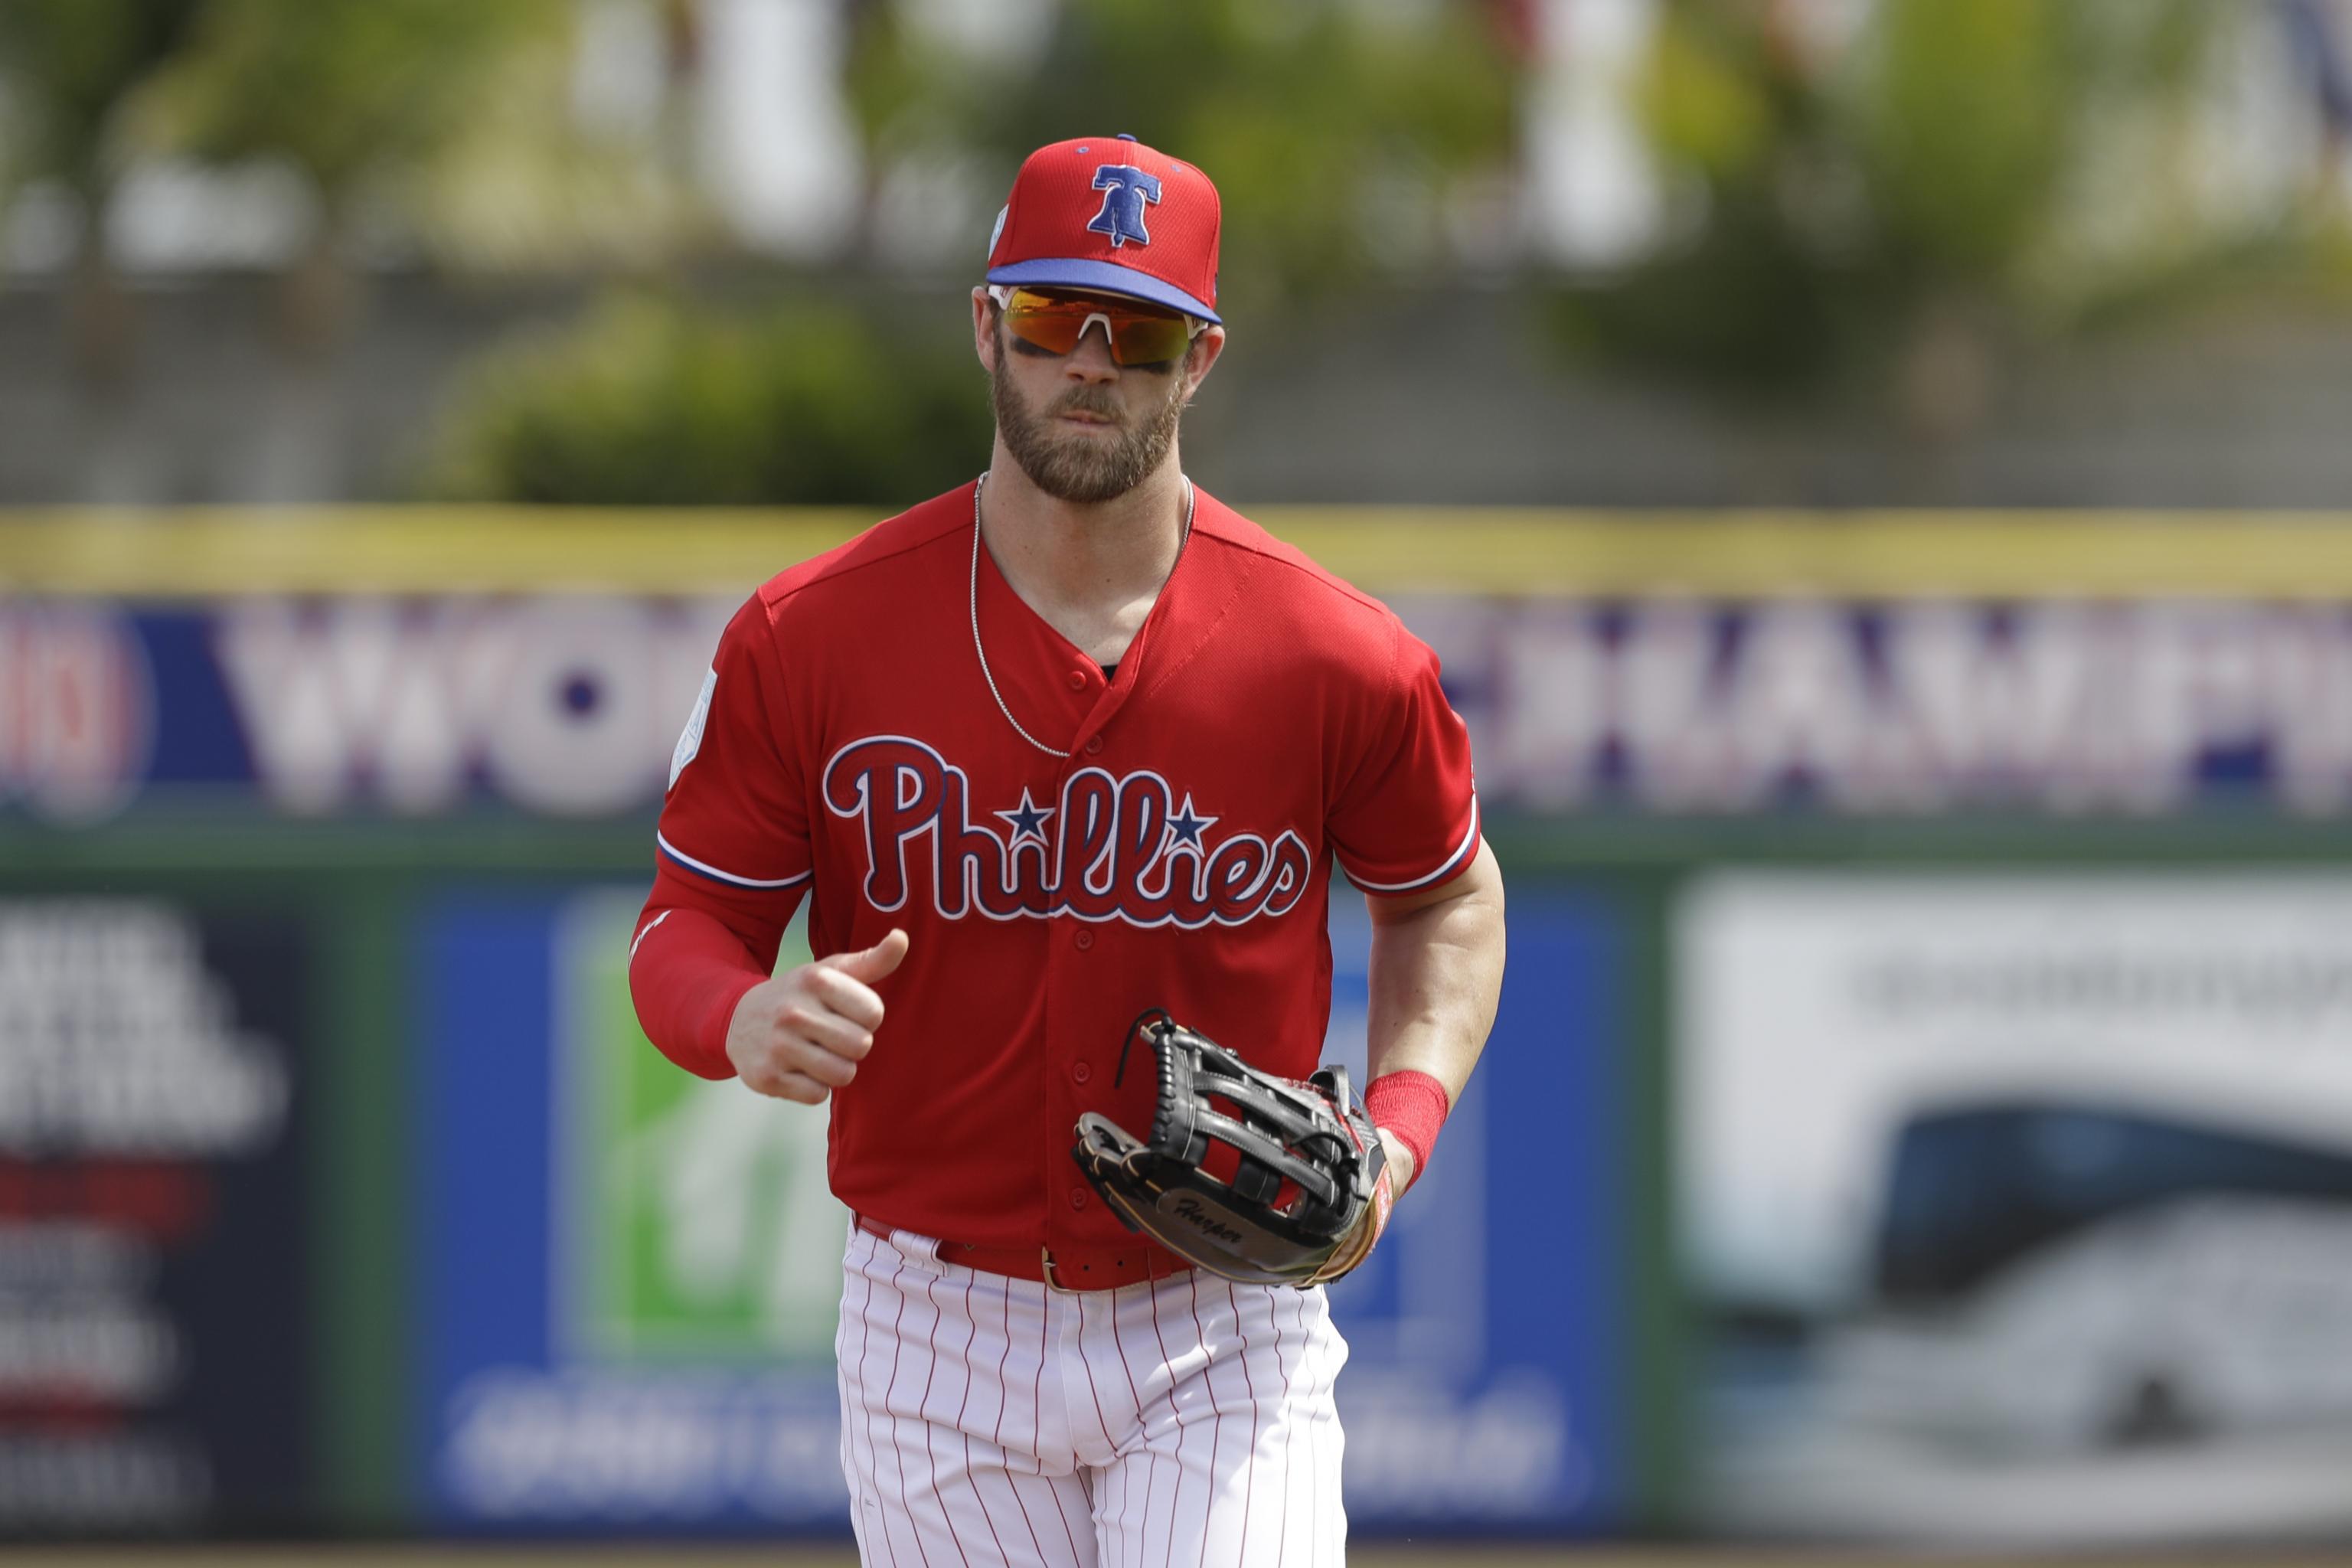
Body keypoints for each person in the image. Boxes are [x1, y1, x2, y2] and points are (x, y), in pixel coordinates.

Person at [628, 132, 1507, 1566]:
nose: (1090, 364)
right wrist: (741, 1012)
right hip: (933, 1326)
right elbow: (682, 928)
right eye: (1052, 319)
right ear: (987, 325)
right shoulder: (812, 638)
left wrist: (1396, 1135)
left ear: (1201, 359)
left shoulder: (1335, 655)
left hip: (1220, 1315)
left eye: (1140, 333)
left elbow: (1449, 904)